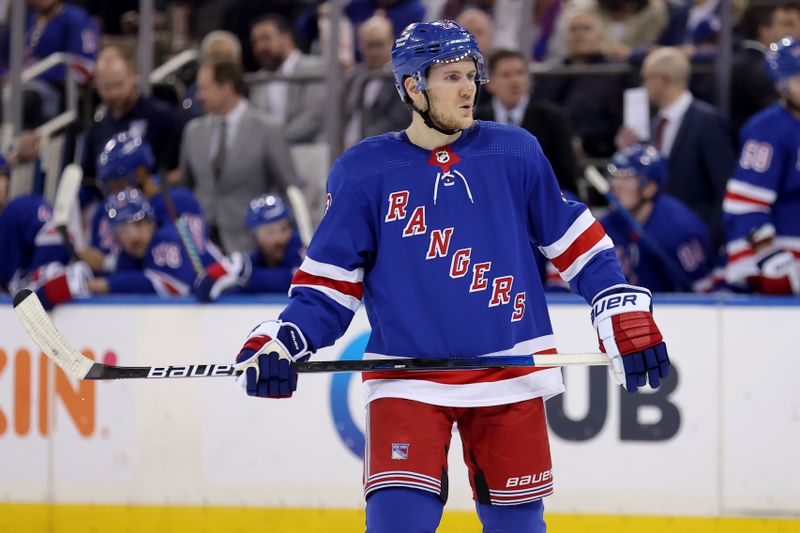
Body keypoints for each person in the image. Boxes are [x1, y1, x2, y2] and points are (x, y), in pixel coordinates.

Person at [229, 20, 670, 533]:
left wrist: (617, 301)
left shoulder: (516, 152)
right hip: (408, 379)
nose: (469, 89)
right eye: (452, 77)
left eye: (471, 75)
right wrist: (284, 340)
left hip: (509, 372)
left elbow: (576, 241)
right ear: (413, 87)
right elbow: (328, 289)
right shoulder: (363, 172)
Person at [616, 46, 735, 247]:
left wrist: (711, 237)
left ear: (661, 79)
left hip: (698, 238)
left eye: (646, 78)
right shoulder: (655, 124)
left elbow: (725, 186)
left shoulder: (707, 121)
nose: (643, 86)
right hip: (662, 238)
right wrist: (628, 149)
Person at [180, 59, 298, 254]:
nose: (199, 96)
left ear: (226, 87)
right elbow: (185, 190)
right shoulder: (192, 131)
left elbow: (289, 189)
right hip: (200, 246)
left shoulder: (267, 129)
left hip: (250, 245)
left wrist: (280, 239)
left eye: (204, 88)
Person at [723, 37, 800, 295]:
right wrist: (767, 254)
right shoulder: (767, 130)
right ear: (781, 86)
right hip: (776, 259)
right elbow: (744, 203)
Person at [84, 132, 214, 274]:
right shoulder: (106, 210)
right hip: (110, 294)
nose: (114, 193)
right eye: (108, 186)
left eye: (117, 184)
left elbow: (187, 261)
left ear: (140, 173)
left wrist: (110, 263)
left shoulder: (179, 202)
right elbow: (93, 261)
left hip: (167, 292)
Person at [601, 144, 713, 292]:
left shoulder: (680, 229)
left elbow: (706, 292)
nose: (615, 185)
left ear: (650, 188)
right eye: (614, 177)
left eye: (626, 178)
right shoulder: (607, 225)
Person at [475, 48, 579, 195]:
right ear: (489, 82)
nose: (515, 81)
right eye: (506, 75)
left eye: (520, 73)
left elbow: (567, 175)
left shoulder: (552, 118)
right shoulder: (476, 121)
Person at [81, 47, 185, 185]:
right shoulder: (96, 130)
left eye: (118, 85)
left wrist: (155, 184)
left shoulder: (165, 118)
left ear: (132, 75)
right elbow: (89, 181)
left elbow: (185, 170)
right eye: (107, 87)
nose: (113, 93)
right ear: (97, 84)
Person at [80, 188, 203, 298]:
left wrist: (104, 285)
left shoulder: (166, 239)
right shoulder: (130, 256)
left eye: (139, 225)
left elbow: (174, 286)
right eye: (123, 231)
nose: (134, 237)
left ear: (152, 223)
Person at [195, 194, 305, 301]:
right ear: (254, 237)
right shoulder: (255, 260)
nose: (279, 238)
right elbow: (203, 291)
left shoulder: (303, 253)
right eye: (270, 232)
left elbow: (297, 282)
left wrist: (246, 275)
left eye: (284, 229)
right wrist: (222, 275)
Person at [248, 14, 327, 144]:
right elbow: (255, 122)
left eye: (266, 38)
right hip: (269, 158)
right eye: (255, 42)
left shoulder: (316, 69)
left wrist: (274, 143)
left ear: (287, 38)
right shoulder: (258, 80)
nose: (260, 47)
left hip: (310, 153)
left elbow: (313, 118)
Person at [344, 16, 411, 148]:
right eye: (369, 45)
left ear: (392, 43)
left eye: (379, 45)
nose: (374, 52)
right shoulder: (352, 78)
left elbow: (397, 122)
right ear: (360, 45)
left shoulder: (403, 79)